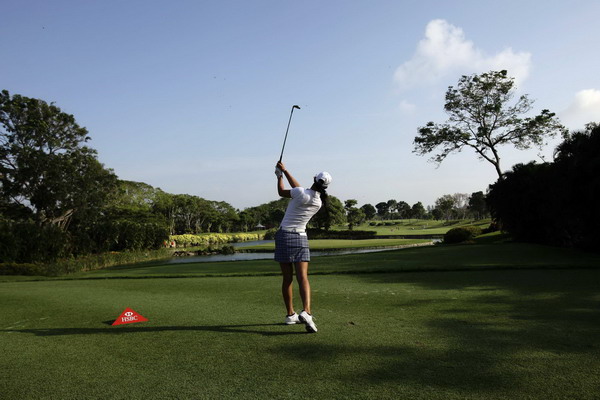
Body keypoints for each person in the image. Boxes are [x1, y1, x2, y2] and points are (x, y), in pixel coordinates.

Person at [274, 161, 332, 333]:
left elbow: (281, 192)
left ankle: (290, 314)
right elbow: (300, 190)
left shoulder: (300, 193)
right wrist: (285, 171)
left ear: (314, 178)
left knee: (287, 279)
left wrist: (279, 176)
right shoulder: (318, 202)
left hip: (285, 235)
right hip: (301, 237)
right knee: (303, 278)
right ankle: (306, 311)